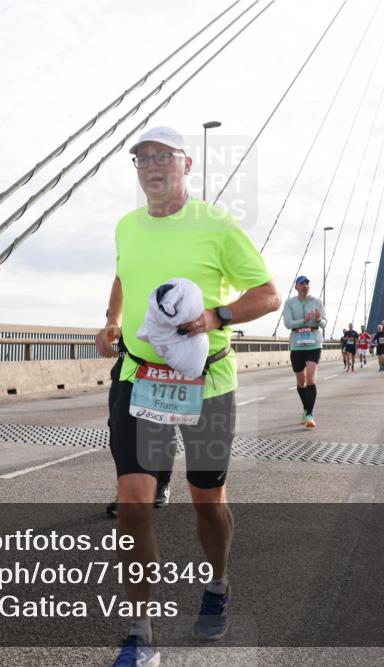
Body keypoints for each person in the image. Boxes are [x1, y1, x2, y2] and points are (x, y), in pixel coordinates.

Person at [97, 126, 279, 666]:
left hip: (207, 384)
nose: (152, 166)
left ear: (187, 164)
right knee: (133, 499)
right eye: (142, 158)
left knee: (207, 500)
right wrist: (110, 320)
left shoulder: (217, 225)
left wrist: (216, 316)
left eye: (163, 157)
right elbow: (125, 277)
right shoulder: (127, 226)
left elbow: (266, 294)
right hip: (138, 376)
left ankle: (218, 582)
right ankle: (139, 634)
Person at [99, 330, 173, 518]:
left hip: (158, 365)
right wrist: (112, 323)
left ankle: (161, 484)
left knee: (162, 428)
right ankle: (127, 490)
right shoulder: (126, 299)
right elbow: (116, 308)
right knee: (117, 431)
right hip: (126, 365)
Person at [282, 275, 326, 428]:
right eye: (302, 284)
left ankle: (309, 415)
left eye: (307, 283)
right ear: (296, 287)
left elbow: (325, 323)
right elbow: (288, 324)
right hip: (297, 345)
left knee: (311, 378)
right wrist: (304, 321)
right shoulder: (289, 303)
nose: (305, 286)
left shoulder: (317, 302)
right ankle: (306, 408)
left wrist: (319, 320)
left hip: (314, 343)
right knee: (301, 382)